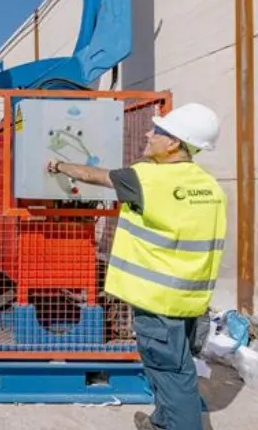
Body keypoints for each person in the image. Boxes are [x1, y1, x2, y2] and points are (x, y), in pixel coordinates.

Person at [45, 102, 226, 430]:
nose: (148, 133)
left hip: (158, 301)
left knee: (174, 374)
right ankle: (161, 421)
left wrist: (57, 163)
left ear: (173, 144)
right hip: (191, 299)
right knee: (168, 368)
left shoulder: (145, 177)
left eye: (157, 131)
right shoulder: (208, 185)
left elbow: (90, 174)